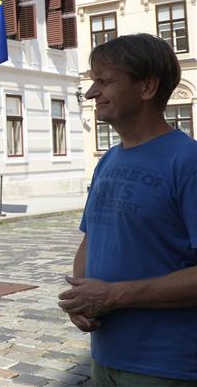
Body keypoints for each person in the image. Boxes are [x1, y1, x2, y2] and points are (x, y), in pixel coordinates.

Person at [58, 33, 197, 386]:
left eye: (103, 81)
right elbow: (91, 239)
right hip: (104, 357)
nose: (91, 93)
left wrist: (114, 296)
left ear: (148, 86)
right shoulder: (108, 159)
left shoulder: (188, 161)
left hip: (165, 365)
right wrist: (81, 299)